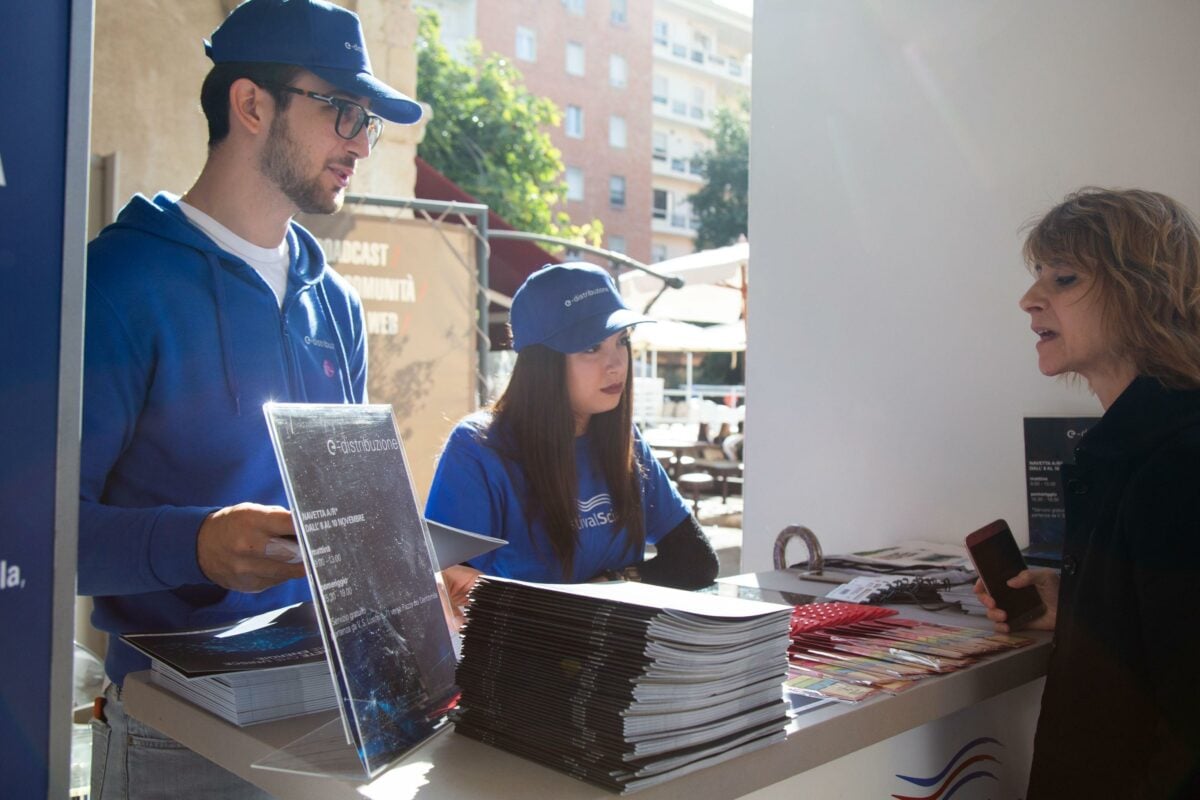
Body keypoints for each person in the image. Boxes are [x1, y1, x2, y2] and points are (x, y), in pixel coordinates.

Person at [80, 1, 424, 796]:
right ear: (251, 104)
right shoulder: (118, 286)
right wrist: (195, 544)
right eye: (342, 110)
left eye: (368, 122)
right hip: (175, 731)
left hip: (332, 715)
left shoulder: (334, 304)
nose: (359, 144)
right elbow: (34, 532)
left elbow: (349, 511)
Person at [975, 188, 1200, 799]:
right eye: (1037, 277)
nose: (1028, 300)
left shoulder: (1177, 463)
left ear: (1145, 293)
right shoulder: (1136, 446)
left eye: (1065, 278)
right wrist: (1079, 603)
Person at [427, 264, 719, 592]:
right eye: (591, 347)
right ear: (542, 363)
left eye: (621, 341)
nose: (616, 364)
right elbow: (446, 591)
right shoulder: (479, 448)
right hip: (524, 644)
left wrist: (615, 580)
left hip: (623, 641)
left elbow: (697, 560)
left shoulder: (625, 440)